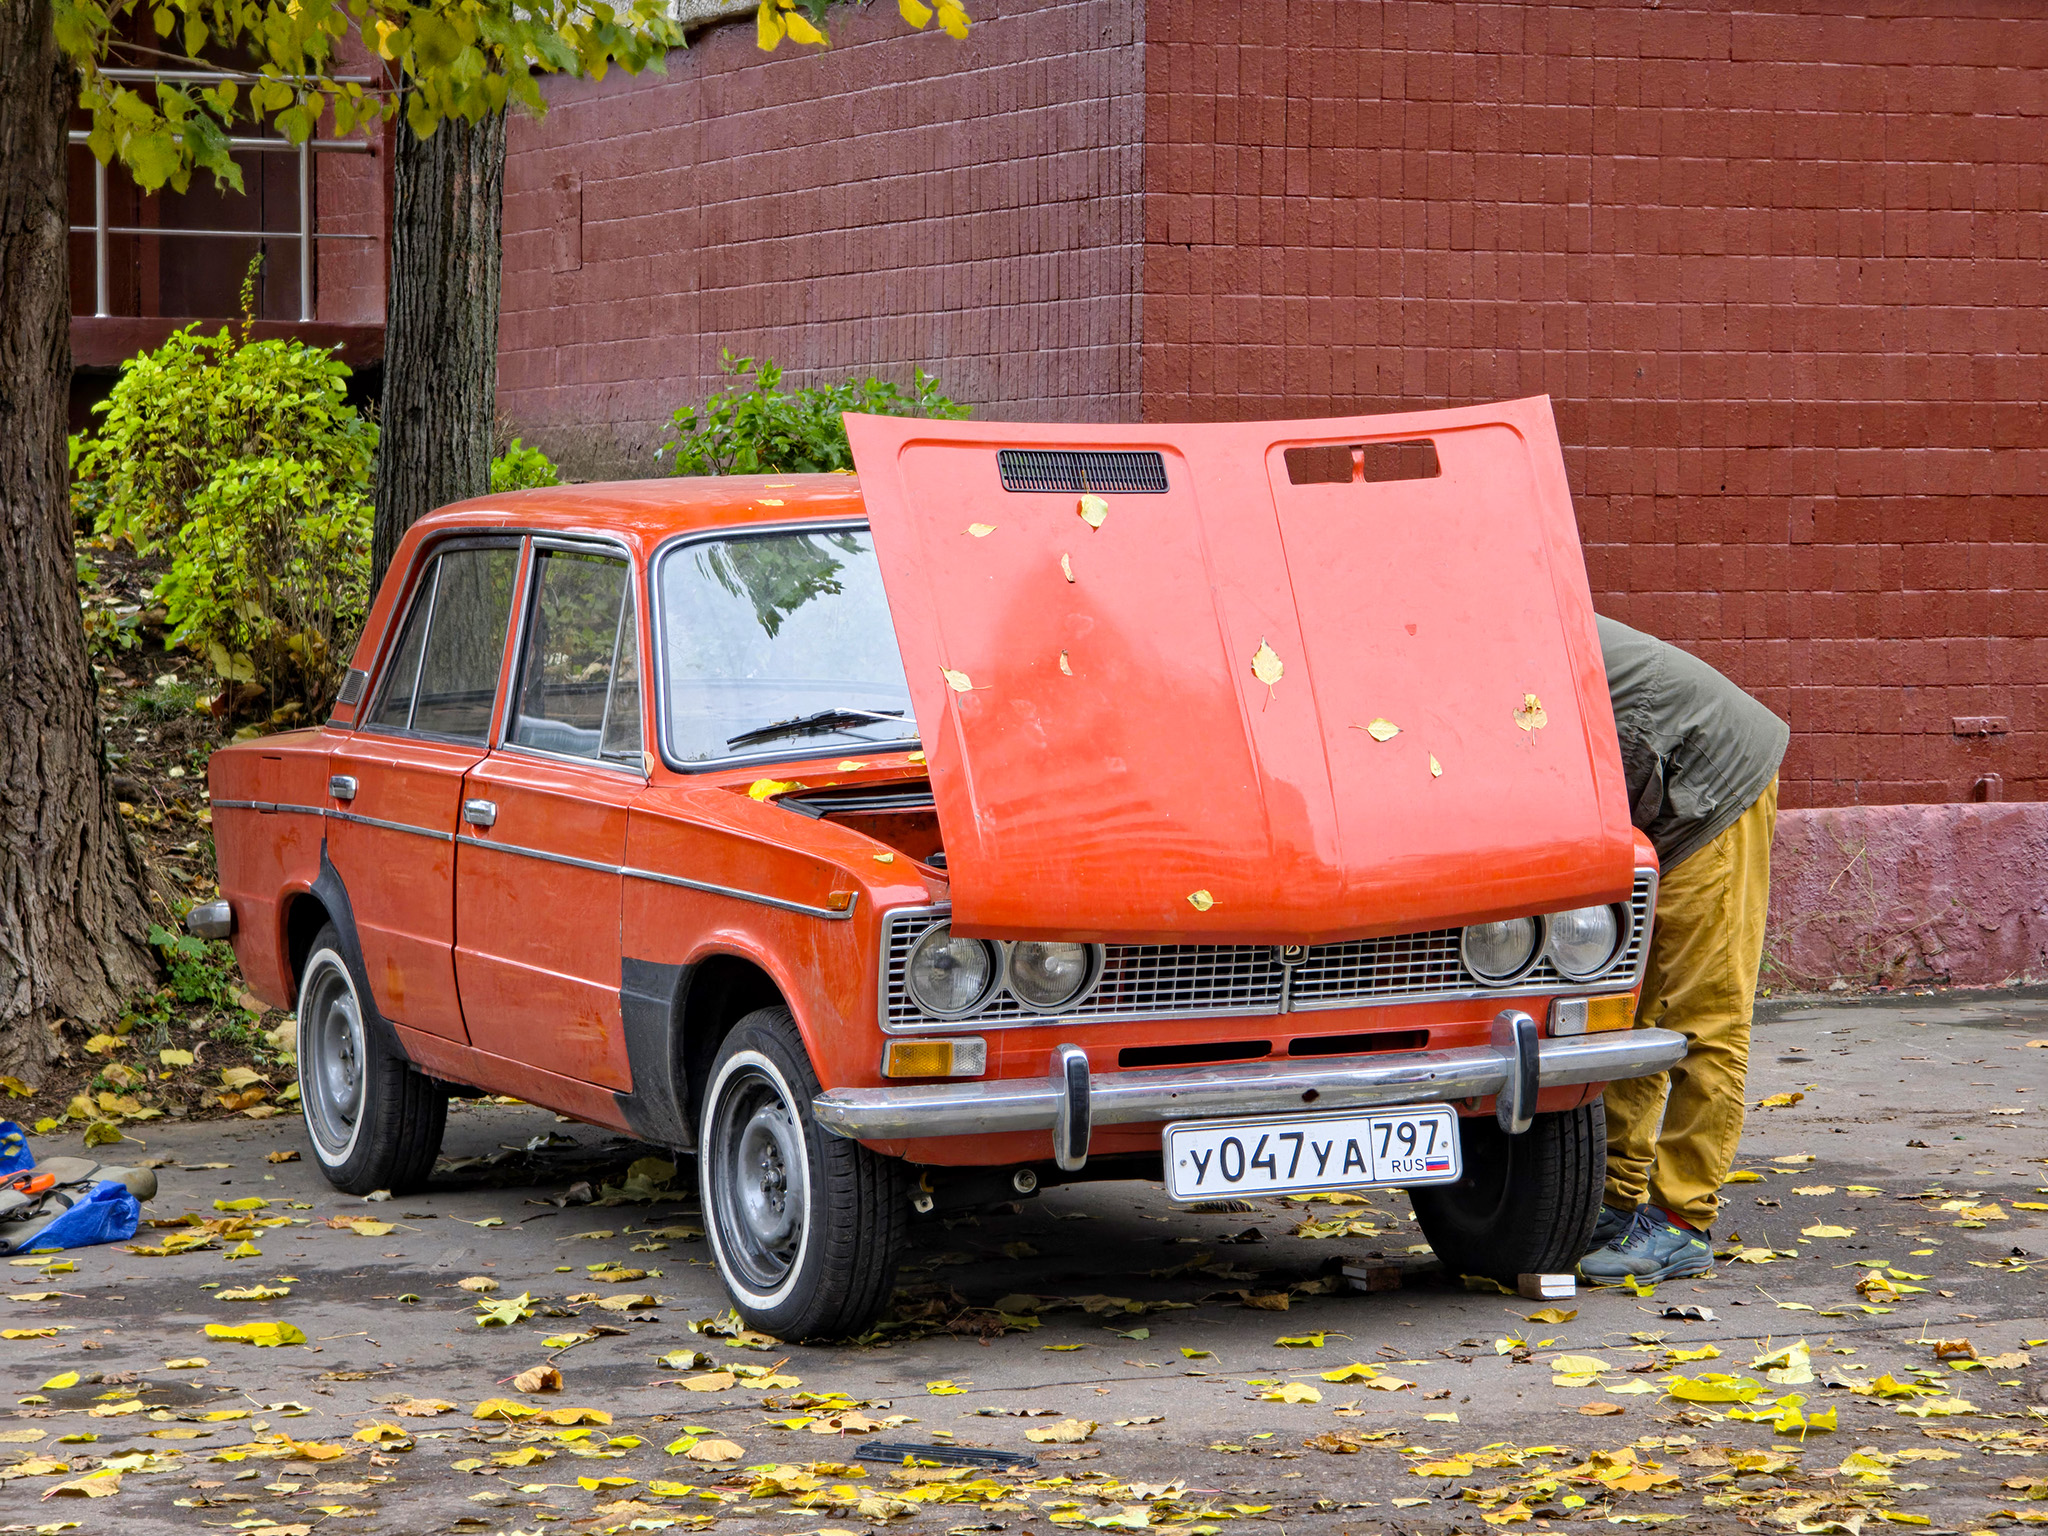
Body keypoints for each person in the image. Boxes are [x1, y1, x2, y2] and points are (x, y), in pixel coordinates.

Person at [1578, 616, 1790, 1283]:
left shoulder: (1488, 641)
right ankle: (1614, 1199)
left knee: (1702, 1014)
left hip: (1710, 783)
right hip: (1656, 788)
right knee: (1628, 1005)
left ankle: (1681, 1220)